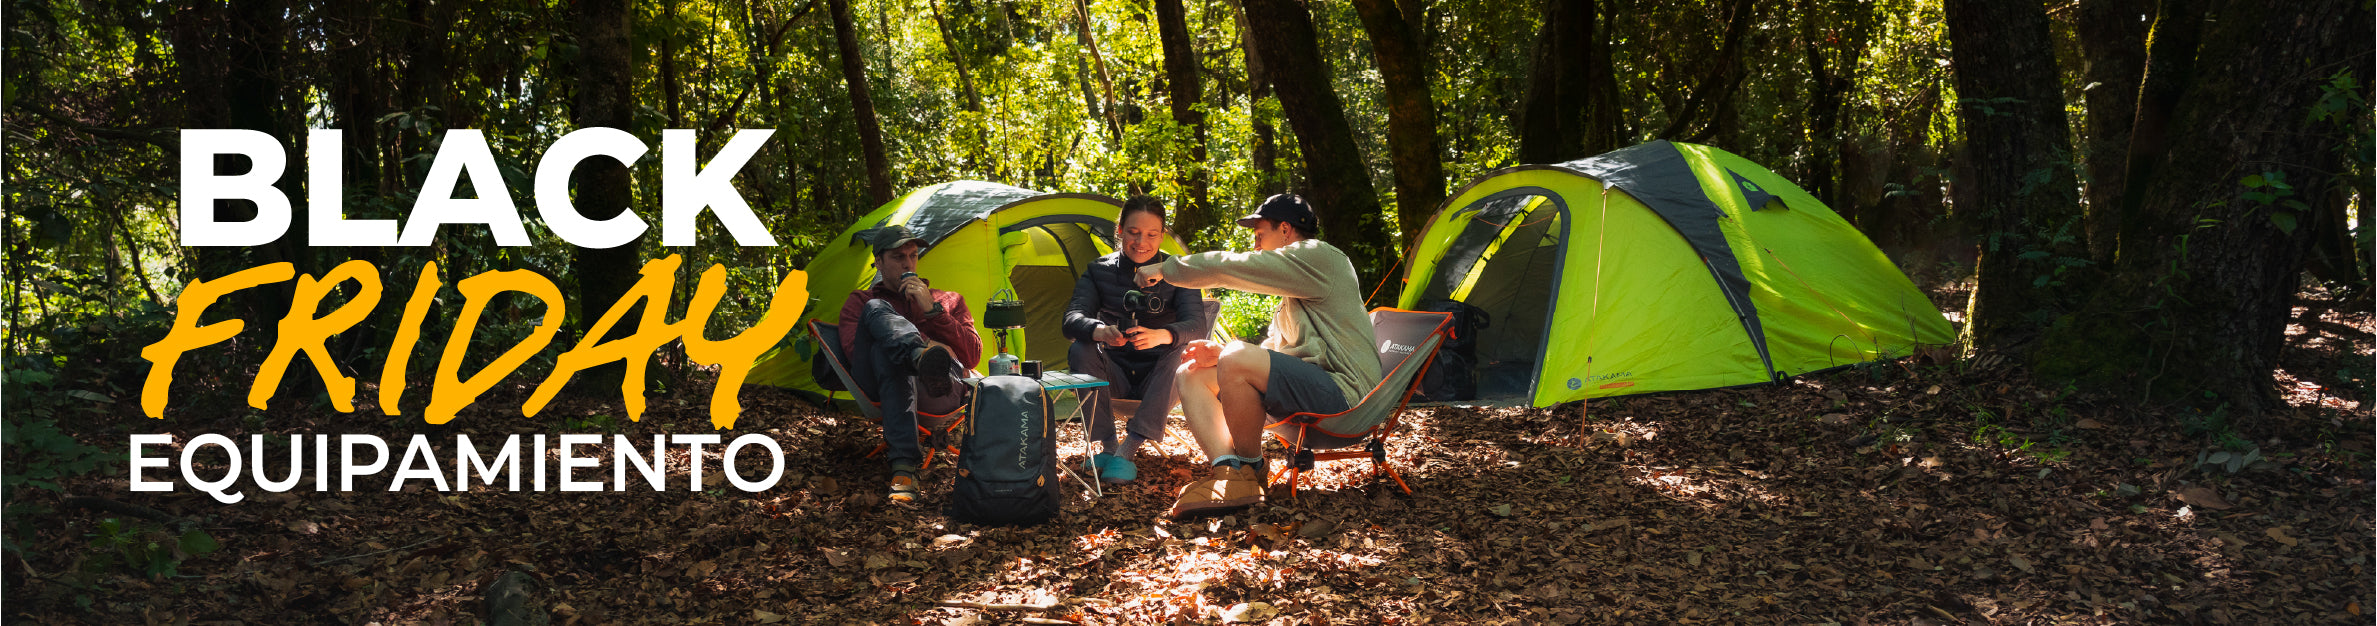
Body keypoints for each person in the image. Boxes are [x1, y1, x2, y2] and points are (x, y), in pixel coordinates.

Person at [1131, 194, 1380, 518]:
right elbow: (1275, 357)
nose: (1256, 244)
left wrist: (1168, 268)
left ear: (1286, 230)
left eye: (1261, 234)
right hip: (1308, 396)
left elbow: (1234, 267)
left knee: (1235, 354)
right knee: (1191, 373)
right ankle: (1231, 471)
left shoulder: (1321, 256)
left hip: (1346, 401)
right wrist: (1221, 355)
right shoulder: (1293, 294)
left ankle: (1248, 471)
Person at [1063, 195, 1208, 484]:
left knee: (1182, 351)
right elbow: (1072, 319)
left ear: (1162, 236)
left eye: (1152, 234)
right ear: (1120, 231)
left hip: (1161, 378)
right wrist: (1100, 331)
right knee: (1081, 348)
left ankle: (1127, 450)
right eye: (1133, 232)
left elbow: (1197, 326)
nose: (1141, 242)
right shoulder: (1099, 270)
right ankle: (1108, 446)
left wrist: (1162, 335)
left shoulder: (1179, 272)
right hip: (1114, 374)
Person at [837, 224, 981, 504]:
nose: (908, 264)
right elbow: (855, 354)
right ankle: (917, 355)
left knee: (891, 353)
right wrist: (927, 345)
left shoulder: (947, 300)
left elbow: (972, 356)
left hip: (940, 388)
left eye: (913, 255)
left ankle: (903, 467)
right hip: (879, 384)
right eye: (898, 257)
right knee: (877, 316)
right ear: (879, 263)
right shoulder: (862, 301)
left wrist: (933, 311)